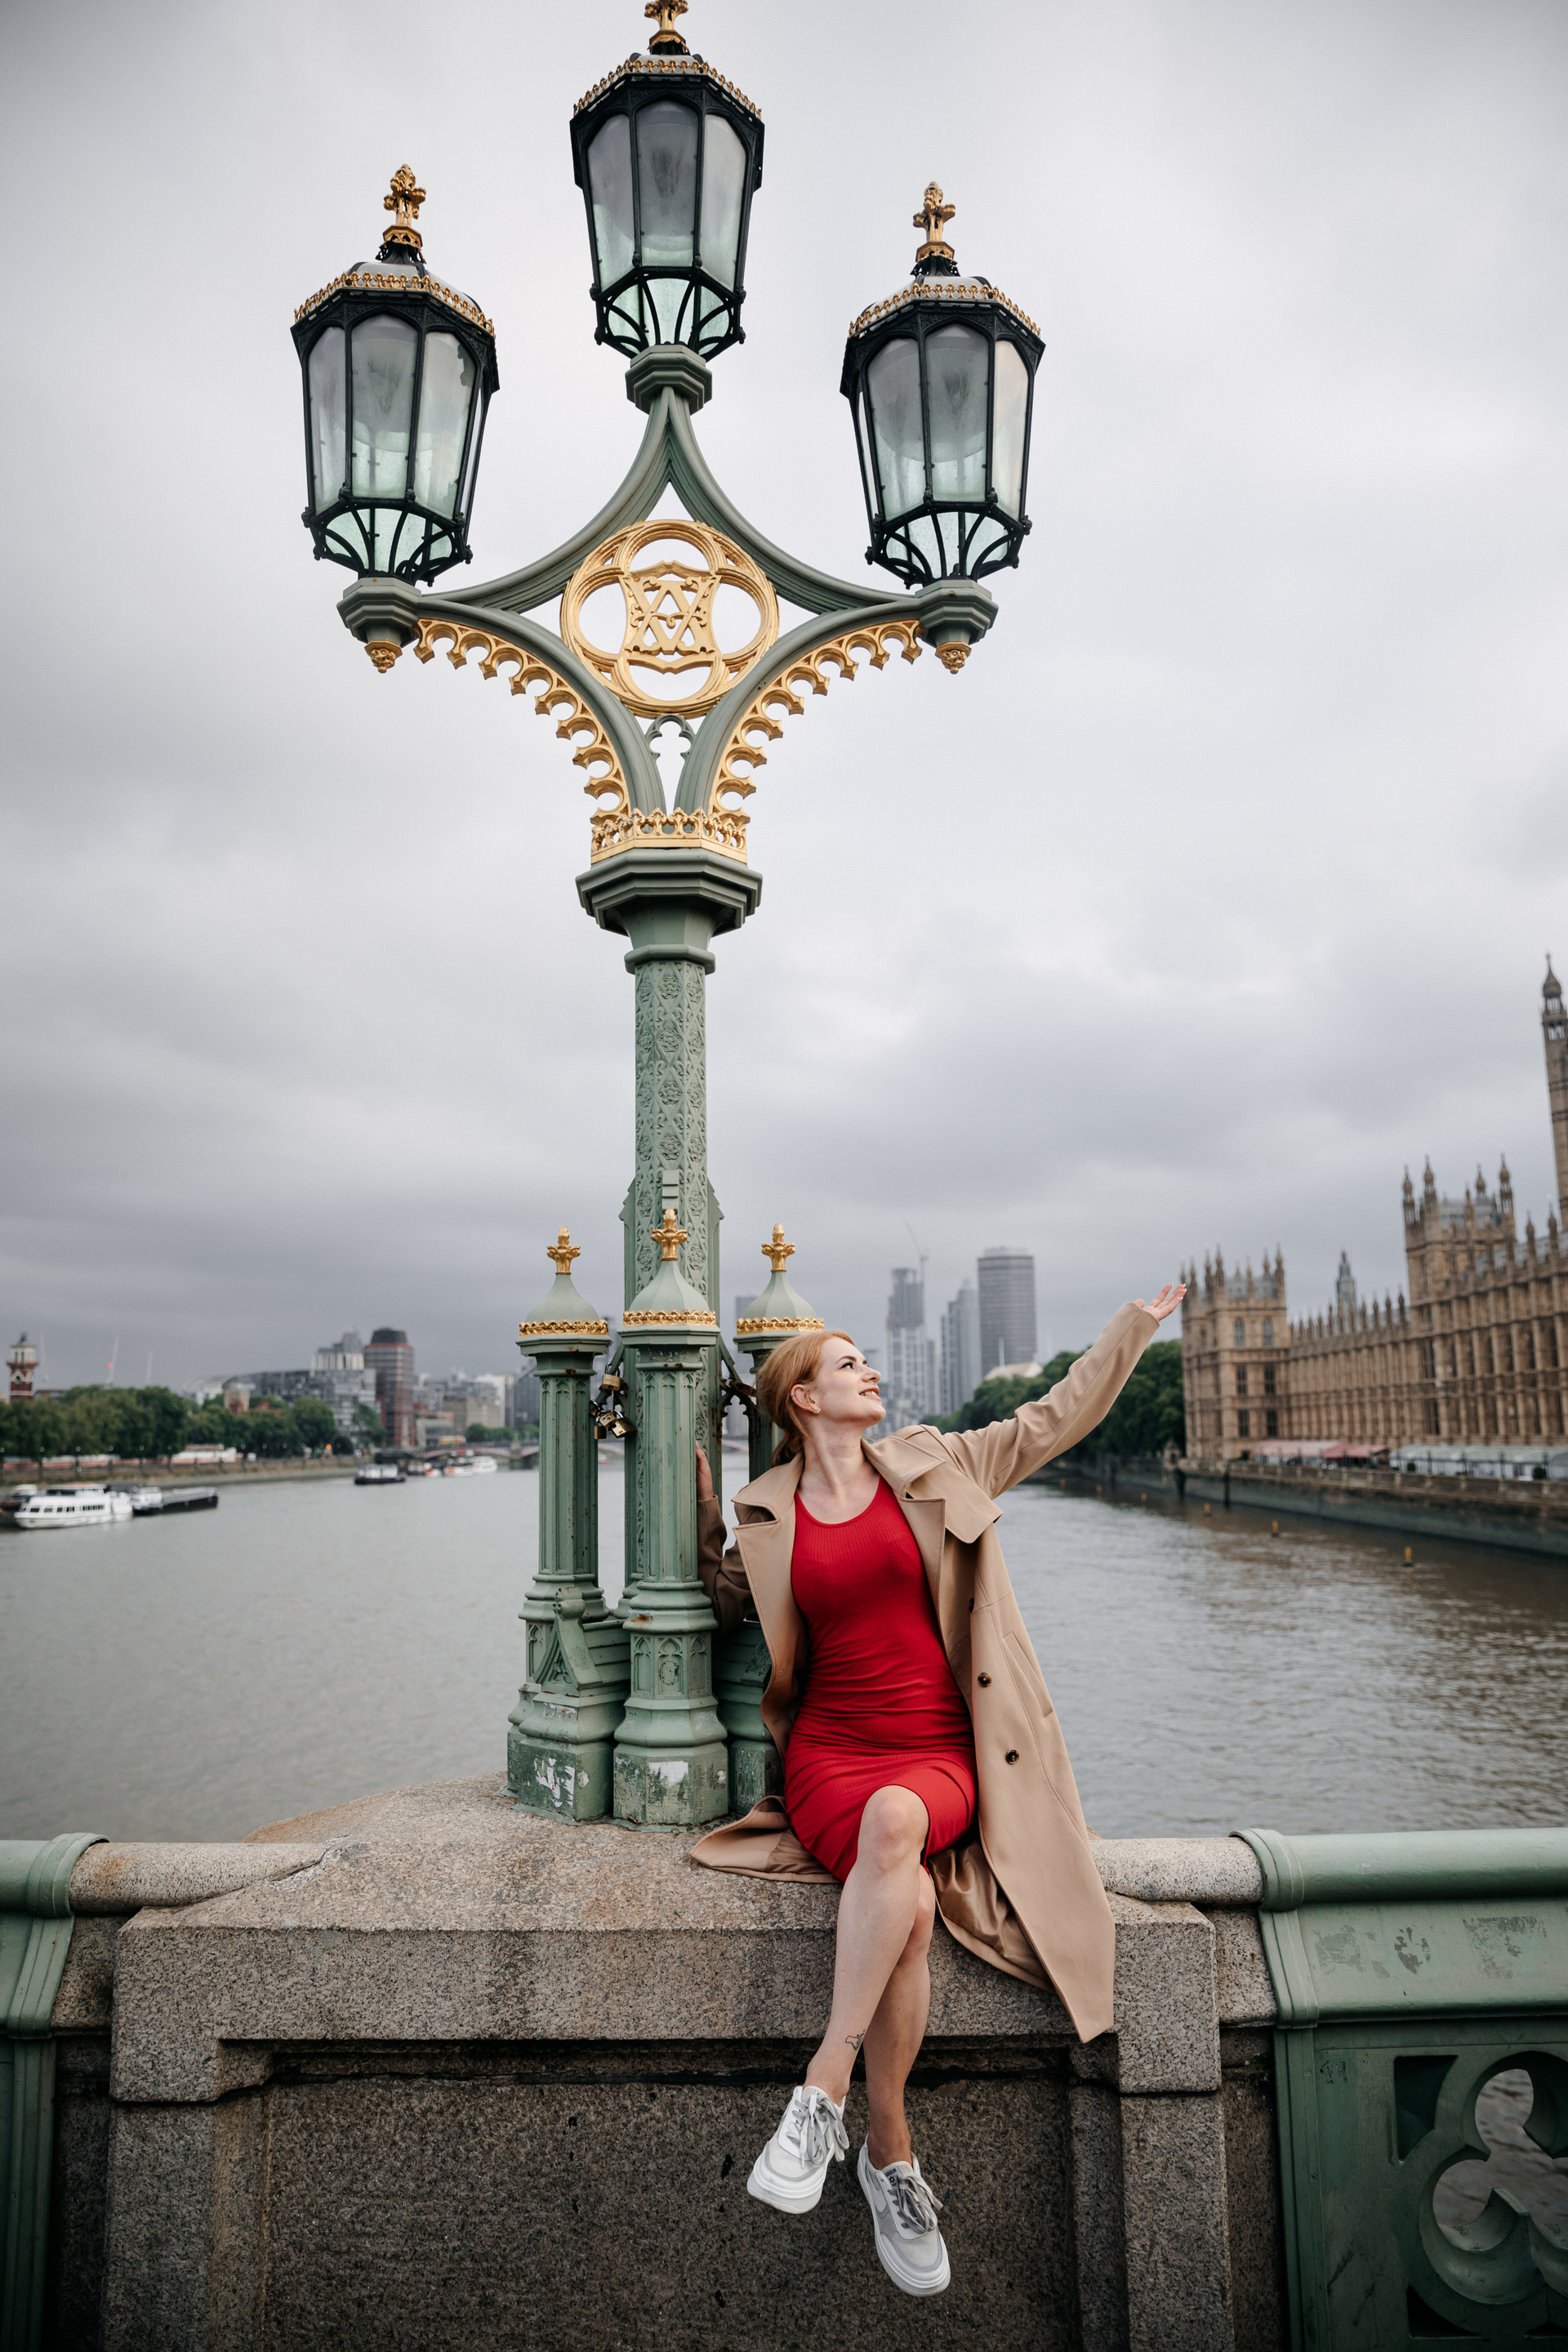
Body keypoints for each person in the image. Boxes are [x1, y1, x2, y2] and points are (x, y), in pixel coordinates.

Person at [688, 1283, 1184, 2297]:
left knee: (899, 1820)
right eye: (847, 1364)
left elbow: (1053, 1418)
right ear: (806, 1400)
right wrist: (694, 1509)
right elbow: (727, 1600)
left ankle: (819, 2092)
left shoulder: (933, 1460)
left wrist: (1129, 1330)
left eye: (865, 1360)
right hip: (830, 1754)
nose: (868, 1372)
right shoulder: (768, 1511)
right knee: (906, 1898)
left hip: (941, 1752)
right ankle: (889, 2154)